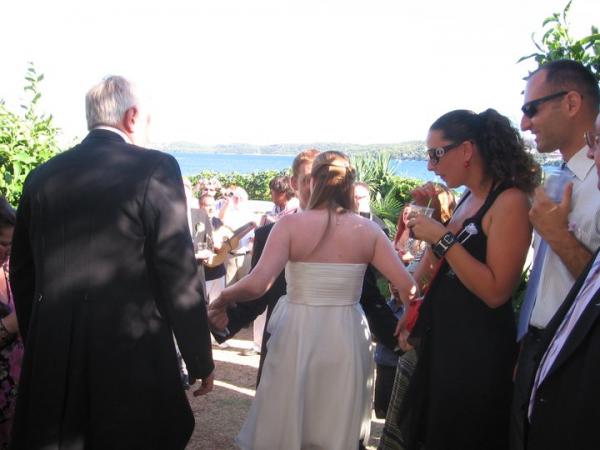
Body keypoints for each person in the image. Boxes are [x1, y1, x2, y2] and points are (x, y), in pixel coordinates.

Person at [9, 76, 214, 449]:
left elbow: (23, 273)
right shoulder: (156, 167)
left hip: (53, 353)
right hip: (130, 354)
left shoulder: (41, 176)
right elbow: (177, 271)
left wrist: (37, 338)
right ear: (132, 117)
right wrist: (200, 358)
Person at [209, 150, 417, 449]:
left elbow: (258, 283)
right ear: (349, 183)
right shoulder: (368, 230)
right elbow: (409, 288)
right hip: (346, 334)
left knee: (290, 409)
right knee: (335, 414)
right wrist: (407, 320)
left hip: (298, 332)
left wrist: (222, 298)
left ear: (315, 181)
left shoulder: (290, 226)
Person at [393, 108, 540, 450]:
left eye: (436, 154)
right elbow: (441, 265)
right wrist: (412, 301)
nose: (430, 165)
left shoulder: (510, 201)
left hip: (478, 354)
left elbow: (496, 291)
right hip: (445, 345)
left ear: (467, 150)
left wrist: (442, 237)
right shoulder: (467, 198)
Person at [511, 65, 600, 449]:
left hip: (578, 361)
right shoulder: (557, 179)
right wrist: (528, 344)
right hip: (538, 347)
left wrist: (559, 236)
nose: (524, 123)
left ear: (572, 103)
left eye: (531, 109)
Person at [0, 197, 22, 448]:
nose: (9, 251)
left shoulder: (11, 270)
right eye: (3, 244)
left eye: (12, 244)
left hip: (16, 401)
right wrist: (15, 322)